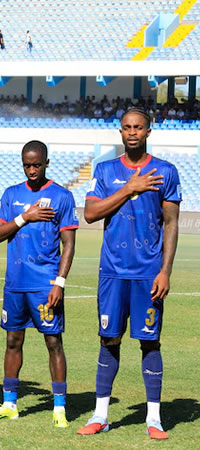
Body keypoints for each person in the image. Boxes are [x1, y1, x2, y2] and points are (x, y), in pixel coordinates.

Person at [77, 108, 180, 440]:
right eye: (127, 127)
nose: (132, 132)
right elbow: (90, 213)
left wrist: (165, 271)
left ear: (148, 131)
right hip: (113, 271)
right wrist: (129, 188)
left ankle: (154, 419)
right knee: (109, 339)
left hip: (148, 273)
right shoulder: (105, 170)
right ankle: (100, 415)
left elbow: (171, 224)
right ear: (120, 132)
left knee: (149, 341)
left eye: (138, 127)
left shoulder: (165, 171)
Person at [0, 141, 78, 427]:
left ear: (46, 163)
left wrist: (59, 283)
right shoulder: (12, 194)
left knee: (53, 342)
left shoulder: (62, 196)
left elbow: (69, 245)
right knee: (13, 341)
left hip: (45, 284)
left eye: (37, 165)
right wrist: (25, 217)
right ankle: (9, 404)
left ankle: (59, 407)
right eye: (27, 165)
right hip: (15, 284)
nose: (32, 170)